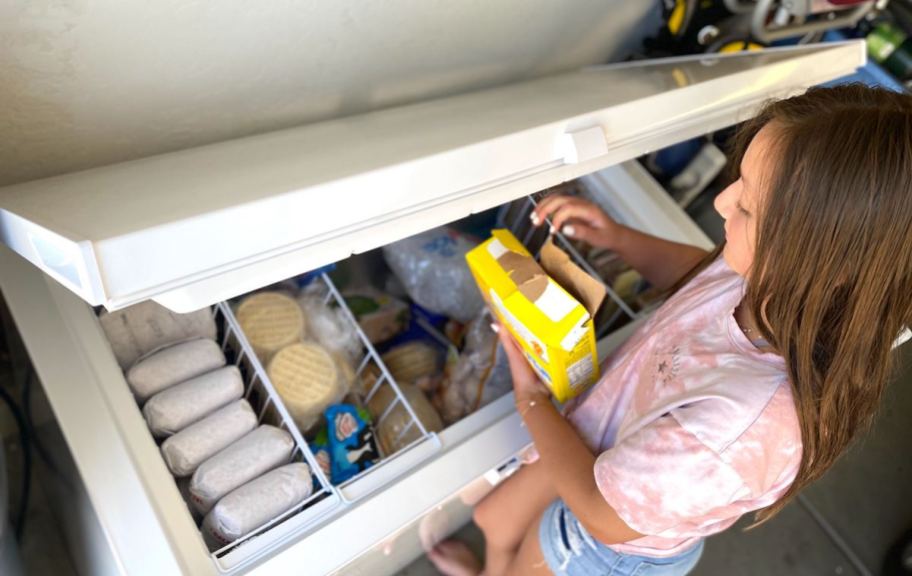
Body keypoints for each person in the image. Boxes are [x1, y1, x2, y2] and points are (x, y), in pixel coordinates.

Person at [427, 84, 912, 576]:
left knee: (520, 563)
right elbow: (704, 279)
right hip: (602, 443)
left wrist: (531, 400)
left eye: (747, 207)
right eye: (737, 181)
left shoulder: (741, 430)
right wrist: (618, 239)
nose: (723, 202)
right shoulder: (771, 277)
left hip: (612, 540)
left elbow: (600, 512)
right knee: (492, 519)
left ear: (824, 262)